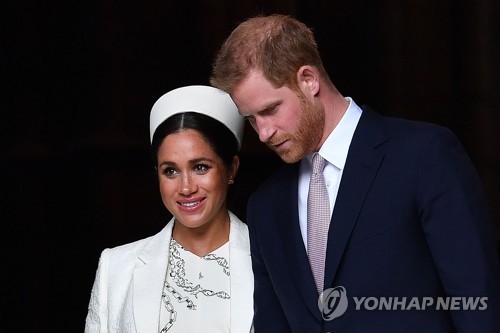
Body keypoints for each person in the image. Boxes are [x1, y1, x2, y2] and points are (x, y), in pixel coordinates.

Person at [210, 14, 500, 332]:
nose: (263, 133)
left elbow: (476, 300)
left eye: (270, 110)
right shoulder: (266, 206)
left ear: (308, 80)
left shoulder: (424, 156)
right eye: (251, 119)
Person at [84, 85, 254, 332]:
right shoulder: (117, 267)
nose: (186, 188)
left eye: (201, 167)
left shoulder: (271, 261)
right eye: (171, 171)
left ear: (231, 168)